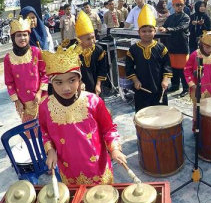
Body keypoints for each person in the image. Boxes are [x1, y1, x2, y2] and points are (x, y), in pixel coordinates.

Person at [40, 45, 127, 185]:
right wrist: (50, 150)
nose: (66, 88)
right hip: (69, 169)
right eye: (59, 82)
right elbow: (45, 132)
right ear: (51, 82)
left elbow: (109, 129)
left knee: (103, 202)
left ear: (79, 79)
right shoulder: (45, 107)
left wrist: (115, 149)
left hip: (97, 167)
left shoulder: (93, 101)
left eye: (72, 80)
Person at [125, 5, 172, 112]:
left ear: (155, 31)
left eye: (150, 31)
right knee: (143, 115)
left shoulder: (161, 48)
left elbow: (167, 66)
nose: (147, 34)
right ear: (138, 32)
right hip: (141, 89)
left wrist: (165, 80)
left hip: (159, 87)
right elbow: (129, 68)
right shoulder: (133, 49)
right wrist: (135, 81)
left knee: (160, 114)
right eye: (144, 31)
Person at [4, 17, 48, 123]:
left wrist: (40, 92)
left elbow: (44, 74)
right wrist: (16, 101)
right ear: (13, 37)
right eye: (19, 35)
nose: (22, 38)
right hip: (23, 104)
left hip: (40, 99)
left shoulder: (36, 52)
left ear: (29, 36)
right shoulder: (8, 58)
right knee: (31, 134)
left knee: (46, 131)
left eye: (25, 35)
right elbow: (9, 83)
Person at [184, 32, 211, 129]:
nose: (210, 50)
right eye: (207, 47)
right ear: (202, 44)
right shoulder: (194, 54)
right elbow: (187, 70)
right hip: (197, 88)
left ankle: (208, 128)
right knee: (197, 108)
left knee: (210, 108)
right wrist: (191, 83)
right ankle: (196, 127)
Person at [160, 0, 190, 97]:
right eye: (177, 5)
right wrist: (159, 28)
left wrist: (168, 29)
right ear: (173, 6)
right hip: (171, 46)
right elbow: (164, 26)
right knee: (173, 68)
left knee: (183, 69)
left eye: (181, 5)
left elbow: (181, 27)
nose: (179, 7)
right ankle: (175, 85)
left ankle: (186, 88)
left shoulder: (186, 17)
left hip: (182, 47)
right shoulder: (170, 17)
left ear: (184, 5)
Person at [75, 11, 108, 96]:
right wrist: (80, 82)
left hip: (97, 86)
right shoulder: (74, 52)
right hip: (81, 87)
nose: (92, 41)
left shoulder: (99, 50)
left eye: (93, 37)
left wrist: (98, 85)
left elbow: (102, 69)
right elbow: (74, 71)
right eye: (88, 39)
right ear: (79, 40)